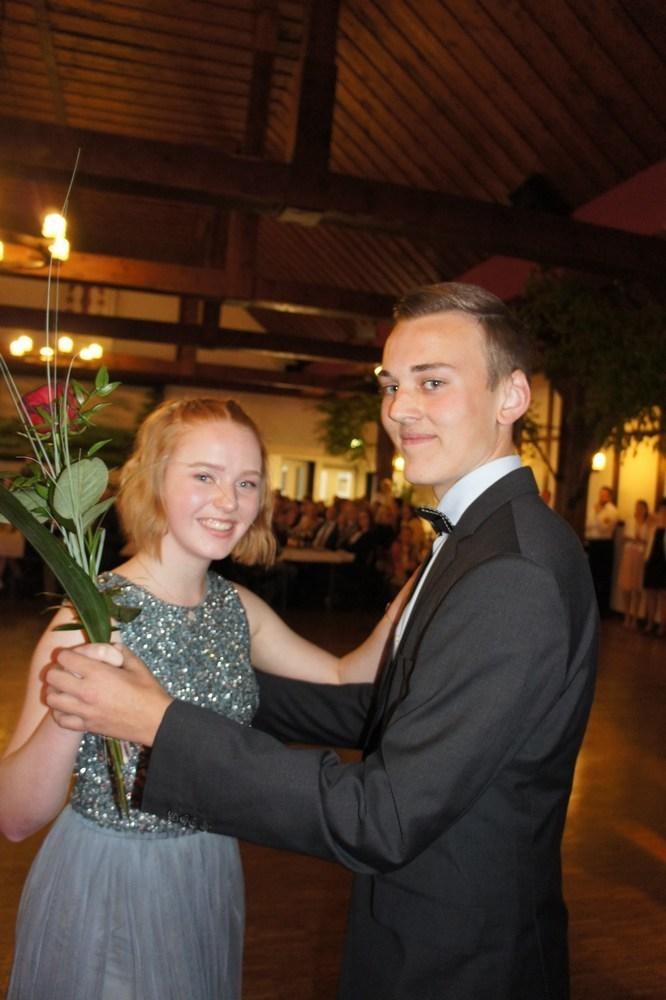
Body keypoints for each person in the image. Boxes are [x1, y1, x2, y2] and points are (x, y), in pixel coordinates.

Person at [46, 283, 599, 1000]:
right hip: (433, 929)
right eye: (392, 385)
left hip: (461, 957)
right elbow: (387, 711)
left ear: (512, 395)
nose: (400, 408)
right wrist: (200, 683)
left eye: (433, 382)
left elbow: (384, 814)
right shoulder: (482, 541)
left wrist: (163, 723)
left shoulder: (512, 569)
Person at [0, 397, 409, 1000]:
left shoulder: (238, 608)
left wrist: (416, 600)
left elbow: (345, 673)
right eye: (204, 476)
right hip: (110, 881)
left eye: (246, 482)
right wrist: (74, 706)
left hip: (207, 865)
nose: (229, 501)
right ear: (153, 481)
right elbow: (15, 817)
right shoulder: (89, 618)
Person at [585, 484, 620, 617]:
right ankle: (592, 608)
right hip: (593, 544)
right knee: (592, 575)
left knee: (603, 577)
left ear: (610, 497)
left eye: (604, 495)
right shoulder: (595, 508)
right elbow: (588, 525)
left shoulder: (612, 511)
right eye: (600, 494)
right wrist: (596, 514)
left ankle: (602, 610)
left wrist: (598, 514)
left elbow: (603, 528)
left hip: (604, 545)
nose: (601, 497)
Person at [616, 498, 649, 629]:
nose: (639, 510)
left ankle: (635, 617)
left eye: (642, 507)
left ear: (646, 509)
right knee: (626, 587)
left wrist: (640, 540)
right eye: (637, 507)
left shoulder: (648, 523)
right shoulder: (630, 521)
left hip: (640, 555)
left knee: (637, 588)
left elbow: (649, 540)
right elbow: (624, 538)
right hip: (629, 554)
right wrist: (632, 538)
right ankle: (627, 616)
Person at [642, 497, 666, 636]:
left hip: (664, 563)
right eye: (662, 509)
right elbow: (646, 538)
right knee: (650, 593)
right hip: (652, 560)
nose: (663, 512)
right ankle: (650, 622)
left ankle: (662, 625)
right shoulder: (653, 523)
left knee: (663, 595)